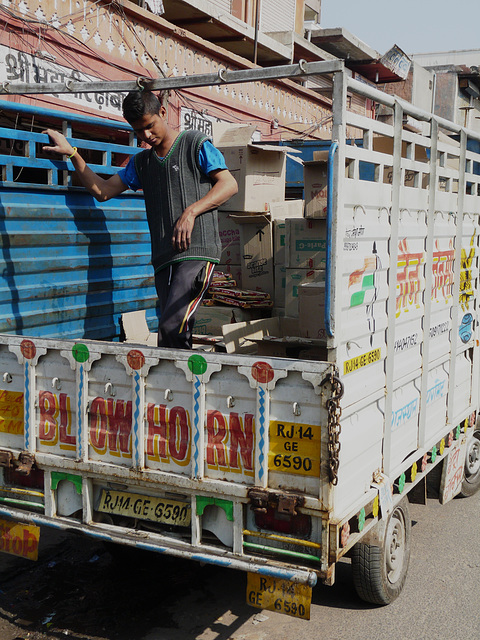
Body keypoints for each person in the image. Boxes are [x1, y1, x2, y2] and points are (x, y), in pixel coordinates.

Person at [43, 90, 238, 349]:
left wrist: (191, 212)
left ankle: (174, 384)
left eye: (149, 126)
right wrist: (72, 153)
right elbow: (103, 191)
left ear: (163, 113)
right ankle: (185, 385)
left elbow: (229, 184)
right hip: (163, 259)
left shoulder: (195, 143)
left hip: (197, 253)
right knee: (173, 335)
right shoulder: (141, 163)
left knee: (172, 327)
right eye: (138, 131)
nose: (146, 135)